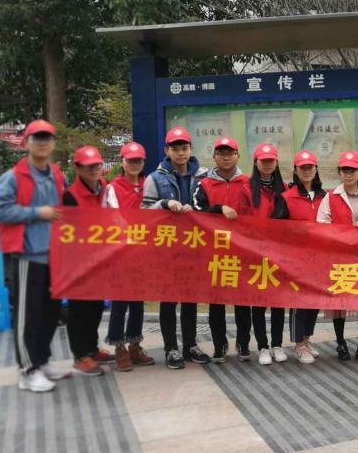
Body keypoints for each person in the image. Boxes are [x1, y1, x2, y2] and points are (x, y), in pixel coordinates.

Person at [0, 119, 68, 393]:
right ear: (26, 143)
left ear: (53, 143)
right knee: (27, 316)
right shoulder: (12, 177)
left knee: (50, 313)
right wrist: (36, 213)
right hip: (27, 256)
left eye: (47, 138)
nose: (43, 143)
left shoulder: (56, 174)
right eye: (37, 138)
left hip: (54, 256)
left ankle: (41, 361)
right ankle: (27, 370)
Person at [141, 126, 210, 370]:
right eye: (175, 148)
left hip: (194, 246)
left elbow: (210, 207)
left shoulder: (204, 176)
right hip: (167, 248)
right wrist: (164, 203)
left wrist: (197, 210)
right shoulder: (154, 178)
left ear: (190, 149)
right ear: (166, 150)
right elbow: (143, 211)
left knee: (190, 298)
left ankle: (190, 345)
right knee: (168, 300)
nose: (180, 153)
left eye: (184, 147)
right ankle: (171, 348)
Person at [192, 137, 251, 363]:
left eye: (230, 153)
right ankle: (219, 344)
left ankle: (243, 343)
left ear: (238, 156)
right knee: (216, 302)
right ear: (214, 157)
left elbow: (256, 213)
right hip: (214, 253)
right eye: (221, 153)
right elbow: (197, 211)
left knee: (243, 301)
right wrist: (219, 209)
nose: (226, 157)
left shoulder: (248, 183)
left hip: (242, 252)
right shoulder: (204, 184)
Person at [317, 150, 358, 360]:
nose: (348, 174)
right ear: (339, 172)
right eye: (344, 170)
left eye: (352, 170)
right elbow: (321, 224)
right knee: (339, 301)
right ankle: (340, 342)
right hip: (339, 257)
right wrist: (340, 235)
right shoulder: (330, 197)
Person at [104, 141, 155, 371]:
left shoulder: (149, 184)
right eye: (130, 160)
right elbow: (113, 218)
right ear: (122, 162)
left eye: (138, 160)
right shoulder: (113, 188)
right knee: (120, 301)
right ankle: (119, 347)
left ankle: (135, 345)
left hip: (143, 252)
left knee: (137, 301)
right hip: (121, 252)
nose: (135, 164)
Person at [62, 146, 112, 377]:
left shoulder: (104, 189)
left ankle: (92, 348)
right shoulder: (69, 197)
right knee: (79, 309)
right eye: (88, 166)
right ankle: (80, 355)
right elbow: (66, 233)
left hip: (100, 260)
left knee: (95, 306)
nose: (94, 170)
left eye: (97, 165)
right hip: (77, 263)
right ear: (78, 168)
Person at [242, 142, 289, 365]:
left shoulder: (285, 189)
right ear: (256, 162)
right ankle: (262, 346)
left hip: (279, 254)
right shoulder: (246, 189)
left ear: (276, 162)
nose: (267, 164)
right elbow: (242, 221)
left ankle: (277, 344)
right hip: (255, 253)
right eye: (264, 161)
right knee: (259, 303)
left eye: (271, 161)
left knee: (278, 302)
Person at [282, 150, 326, 365]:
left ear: (316, 169)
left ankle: (307, 340)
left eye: (310, 167)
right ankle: (298, 345)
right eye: (302, 168)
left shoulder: (325, 196)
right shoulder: (286, 197)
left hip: (320, 258)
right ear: (296, 171)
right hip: (296, 259)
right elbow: (278, 228)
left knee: (314, 301)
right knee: (299, 302)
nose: (307, 171)